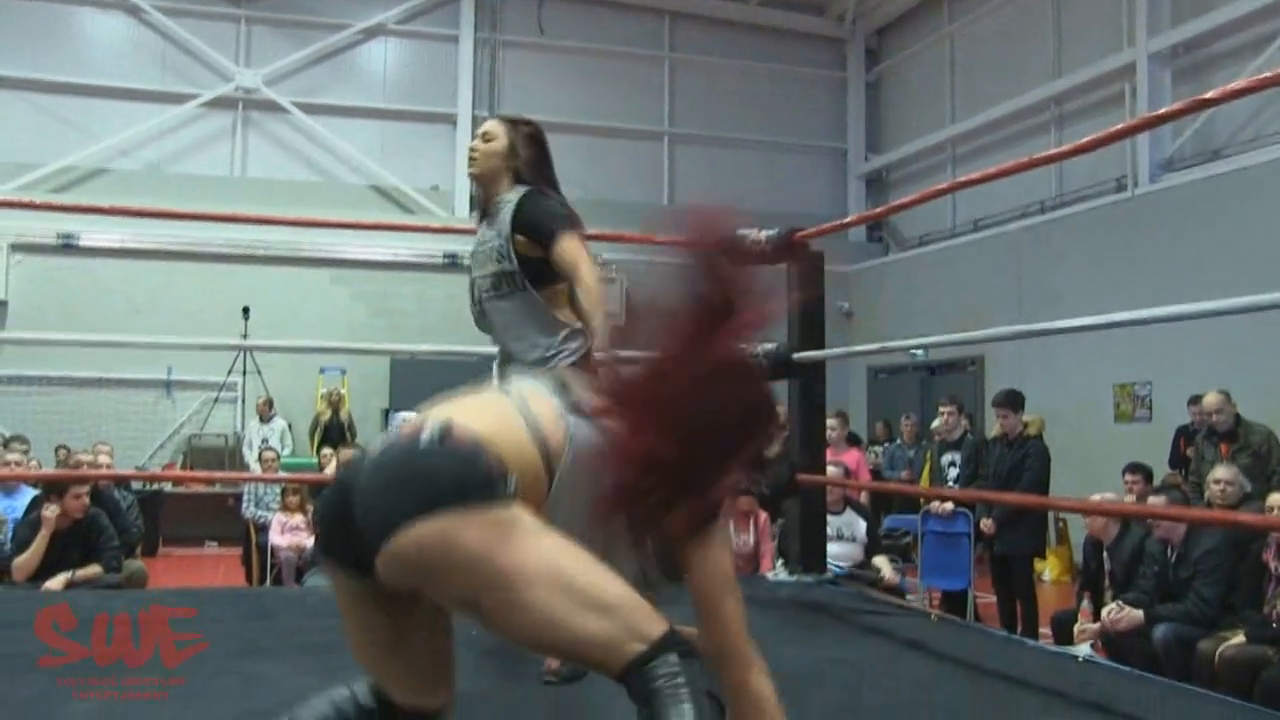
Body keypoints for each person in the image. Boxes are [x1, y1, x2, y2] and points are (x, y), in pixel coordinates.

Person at [292, 234, 786, 720]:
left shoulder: (618, 438)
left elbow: (561, 596)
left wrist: (591, 637)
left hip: (357, 500)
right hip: (439, 482)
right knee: (670, 669)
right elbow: (740, 668)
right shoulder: (690, 497)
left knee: (409, 707)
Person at [467, 114, 609, 376]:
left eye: (487, 139)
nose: (473, 146)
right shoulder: (490, 223)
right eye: (475, 138)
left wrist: (601, 351)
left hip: (562, 368)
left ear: (513, 157)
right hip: (518, 370)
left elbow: (582, 270)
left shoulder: (534, 208)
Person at [269, 484, 316, 587]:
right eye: (287, 496)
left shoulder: (308, 513)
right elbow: (273, 536)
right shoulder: (279, 515)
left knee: (311, 554)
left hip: (305, 545)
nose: (291, 499)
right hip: (286, 547)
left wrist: (305, 544)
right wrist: (288, 544)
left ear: (301, 496)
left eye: (294, 495)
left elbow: (315, 534)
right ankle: (289, 584)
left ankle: (309, 582)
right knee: (289, 557)